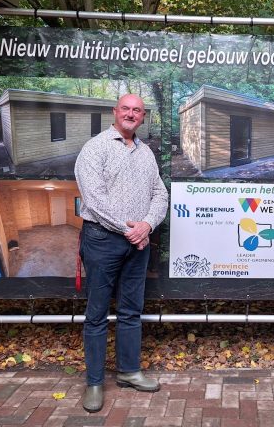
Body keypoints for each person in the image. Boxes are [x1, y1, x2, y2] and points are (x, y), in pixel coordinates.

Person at [75, 93, 169, 413]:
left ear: (143, 117)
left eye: (137, 111)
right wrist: (130, 230)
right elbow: (94, 199)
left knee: (131, 310)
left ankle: (129, 372)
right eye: (126, 109)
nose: (131, 114)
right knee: (97, 313)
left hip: (138, 243)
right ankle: (95, 382)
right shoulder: (95, 148)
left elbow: (160, 194)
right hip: (102, 241)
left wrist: (146, 225)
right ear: (115, 112)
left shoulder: (146, 154)